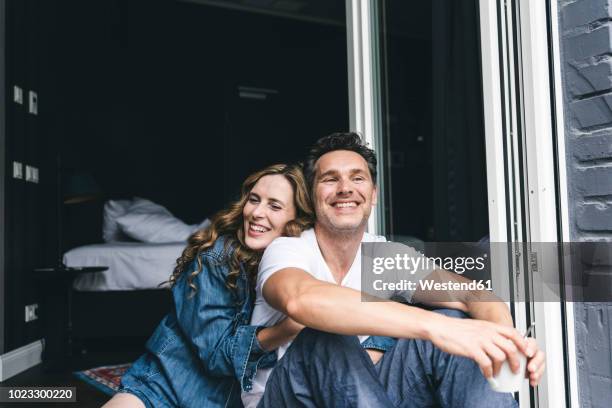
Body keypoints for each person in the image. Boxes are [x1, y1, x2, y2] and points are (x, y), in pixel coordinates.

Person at [244, 133, 546, 407]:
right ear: (311, 196)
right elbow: (301, 299)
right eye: (330, 179)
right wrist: (438, 328)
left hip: (362, 395)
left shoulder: (385, 257)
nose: (345, 188)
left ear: (373, 195)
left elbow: (473, 294)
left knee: (459, 324)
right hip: (286, 398)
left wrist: (506, 344)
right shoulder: (288, 249)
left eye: (357, 178)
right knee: (324, 336)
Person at [103, 163, 313, 408]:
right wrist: (290, 327)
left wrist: (370, 348)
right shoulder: (218, 257)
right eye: (254, 200)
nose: (256, 212)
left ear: (371, 193)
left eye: (274, 205)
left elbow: (370, 317)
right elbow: (216, 356)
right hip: (168, 388)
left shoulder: (366, 247)